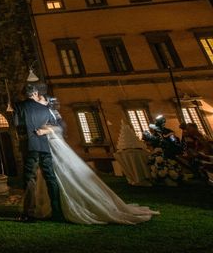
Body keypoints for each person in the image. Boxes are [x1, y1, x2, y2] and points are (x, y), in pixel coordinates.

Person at [36, 95, 159, 224]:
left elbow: (58, 128)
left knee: (61, 172)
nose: (37, 98)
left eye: (40, 98)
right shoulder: (42, 112)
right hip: (48, 146)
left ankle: (68, 204)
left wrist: (45, 130)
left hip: (54, 145)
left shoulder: (49, 112)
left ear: (46, 103)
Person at [13, 83, 63, 222]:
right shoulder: (46, 109)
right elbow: (55, 127)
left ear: (24, 94)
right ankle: (56, 211)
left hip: (30, 147)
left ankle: (29, 213)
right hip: (45, 146)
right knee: (50, 178)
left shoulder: (19, 106)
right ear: (35, 94)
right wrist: (43, 131)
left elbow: (17, 126)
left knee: (30, 178)